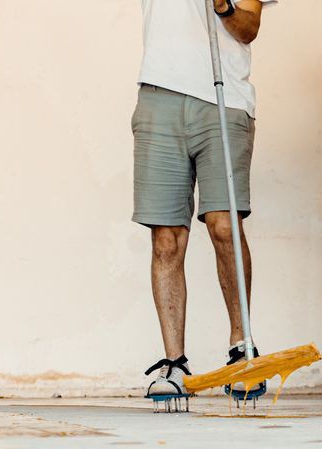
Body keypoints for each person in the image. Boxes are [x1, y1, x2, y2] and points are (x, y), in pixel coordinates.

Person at [135, 0, 267, 399]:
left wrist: (225, 6)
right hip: (159, 96)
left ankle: (241, 350)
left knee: (224, 224)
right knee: (166, 237)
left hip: (223, 101)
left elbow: (249, 28)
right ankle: (174, 365)